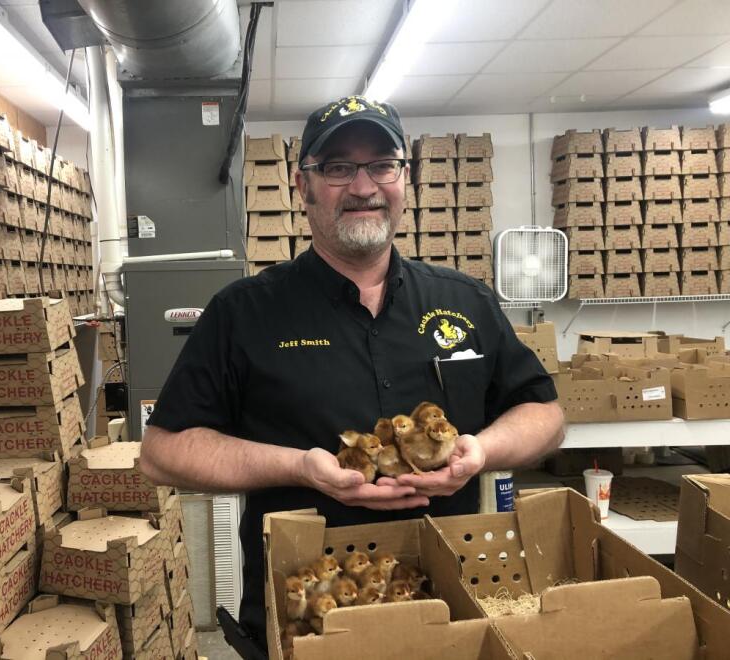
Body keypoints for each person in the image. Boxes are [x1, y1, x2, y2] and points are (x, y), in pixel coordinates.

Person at [140, 95, 565, 653]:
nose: (363, 187)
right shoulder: (243, 313)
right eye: (338, 168)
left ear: (404, 178)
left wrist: (480, 451)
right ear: (303, 185)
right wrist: (298, 467)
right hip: (303, 615)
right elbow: (162, 452)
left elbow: (545, 415)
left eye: (382, 164)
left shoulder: (465, 302)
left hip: (443, 611)